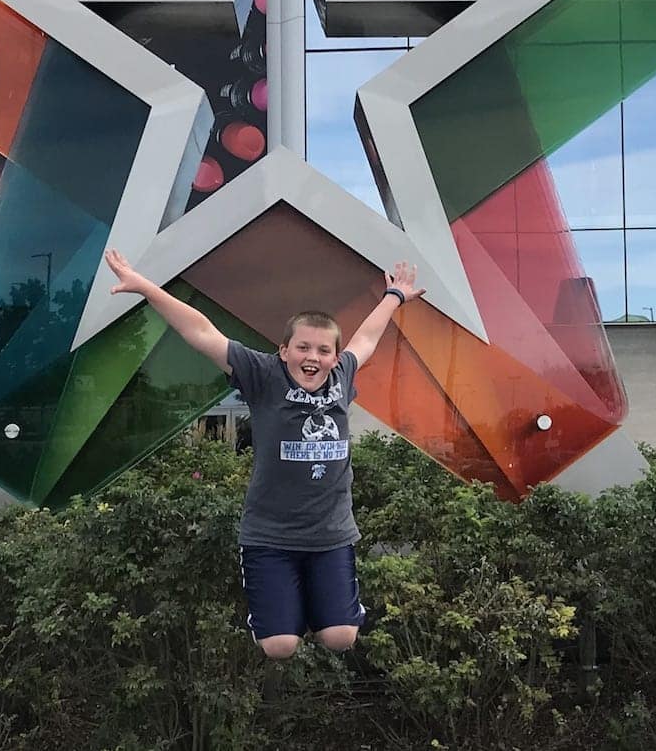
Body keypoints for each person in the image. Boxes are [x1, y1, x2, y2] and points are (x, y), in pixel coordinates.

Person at [103, 246, 423, 660]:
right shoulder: (263, 375)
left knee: (341, 636)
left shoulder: (342, 375)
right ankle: (283, 613)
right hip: (271, 537)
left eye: (324, 351)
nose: (314, 357)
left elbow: (365, 337)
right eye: (304, 348)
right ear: (284, 350)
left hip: (330, 536)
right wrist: (145, 287)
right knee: (279, 646)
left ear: (334, 357)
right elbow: (201, 332)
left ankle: (324, 607)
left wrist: (394, 296)